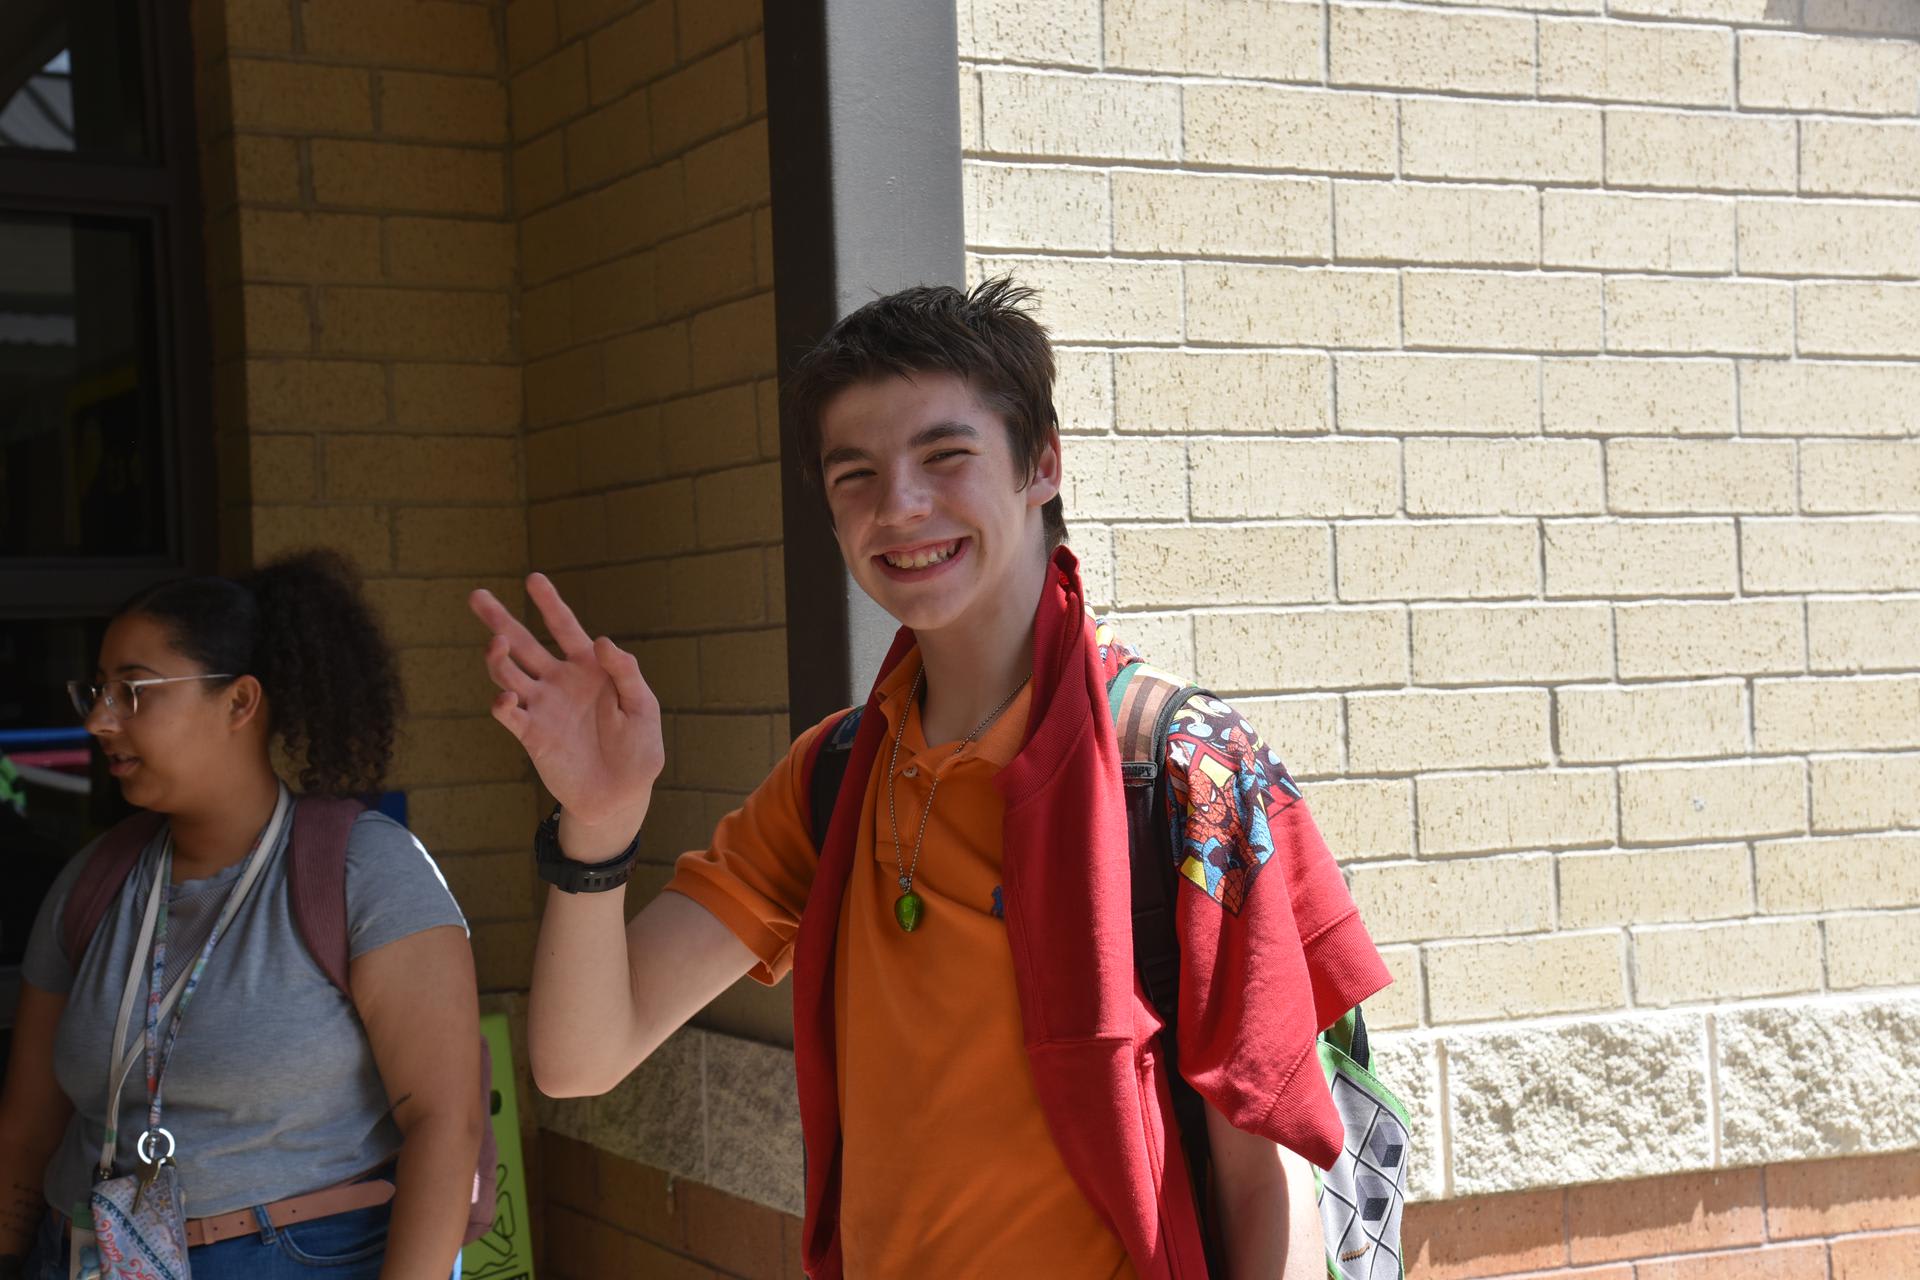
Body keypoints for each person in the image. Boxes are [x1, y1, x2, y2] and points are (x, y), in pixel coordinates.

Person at [469, 279, 1391, 1278]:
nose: (899, 506)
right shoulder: (830, 778)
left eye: (945, 456)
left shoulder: (1183, 766)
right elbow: (580, 1058)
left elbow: (1267, 1172)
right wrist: (598, 823)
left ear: (1041, 463)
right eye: (854, 474)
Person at [0, 550, 482, 1280]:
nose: (100, 719)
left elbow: (446, 1126)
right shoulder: (91, 883)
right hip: (82, 1256)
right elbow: (27, 1129)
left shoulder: (363, 871)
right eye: (97, 690)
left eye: (133, 691)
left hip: (290, 1256)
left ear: (239, 703)